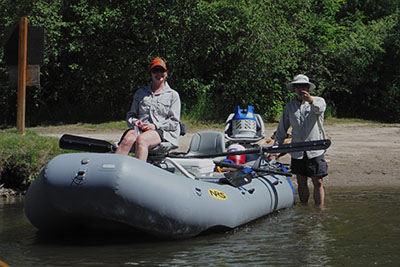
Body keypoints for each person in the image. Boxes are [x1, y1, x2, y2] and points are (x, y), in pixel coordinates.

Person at [271, 74, 328, 207]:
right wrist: (275, 149)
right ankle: (304, 208)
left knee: (318, 181)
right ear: (294, 89)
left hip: (315, 149)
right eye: (297, 86)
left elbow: (319, 110)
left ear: (308, 87)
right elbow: (281, 129)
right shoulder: (289, 107)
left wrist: (310, 100)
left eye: (303, 86)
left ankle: (320, 210)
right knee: (301, 181)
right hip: (297, 150)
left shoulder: (318, 101)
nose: (301, 89)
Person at [116, 57, 181, 161]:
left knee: (142, 140)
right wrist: (135, 122)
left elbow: (174, 122)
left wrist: (155, 125)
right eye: (155, 71)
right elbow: (130, 116)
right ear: (150, 74)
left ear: (166, 73)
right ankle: (113, 172)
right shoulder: (140, 93)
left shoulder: (173, 95)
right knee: (127, 139)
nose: (159, 74)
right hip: (140, 129)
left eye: (162, 71)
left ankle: (139, 175)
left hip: (162, 131)